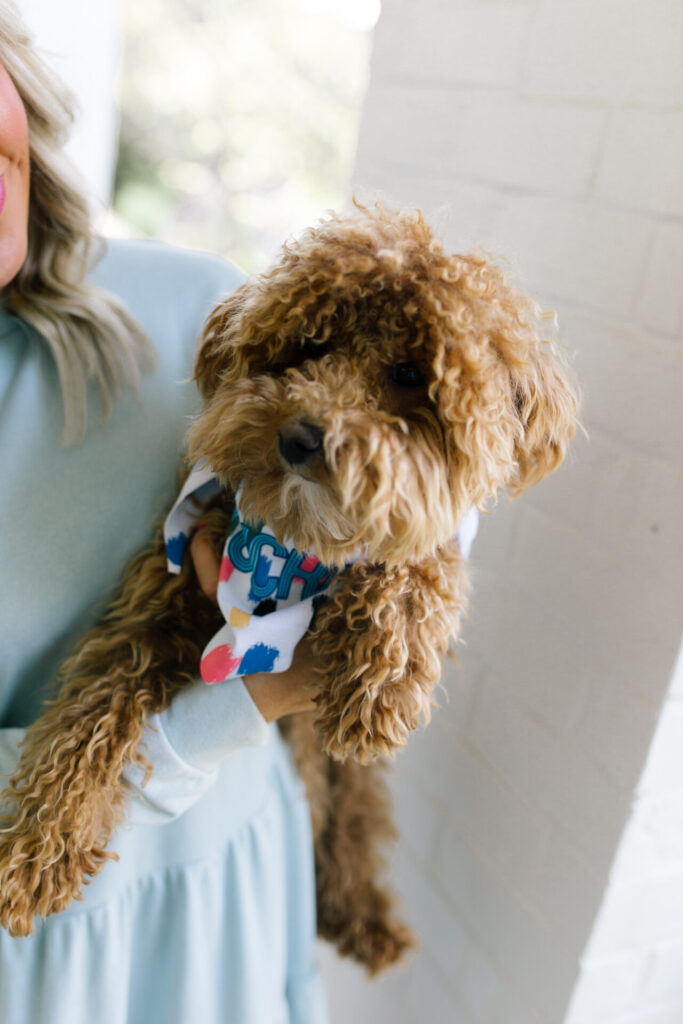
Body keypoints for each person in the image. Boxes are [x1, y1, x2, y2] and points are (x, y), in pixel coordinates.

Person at [0, 5, 328, 1022]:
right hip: (34, 949)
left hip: (217, 881)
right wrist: (253, 697)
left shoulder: (205, 319)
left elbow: (426, 487)